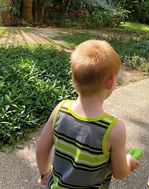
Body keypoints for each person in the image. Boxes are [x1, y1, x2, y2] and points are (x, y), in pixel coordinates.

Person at [35, 40, 140, 188]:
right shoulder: (114, 129)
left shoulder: (60, 109)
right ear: (110, 82)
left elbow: (41, 149)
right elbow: (120, 173)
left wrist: (45, 172)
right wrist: (128, 161)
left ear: (73, 79)